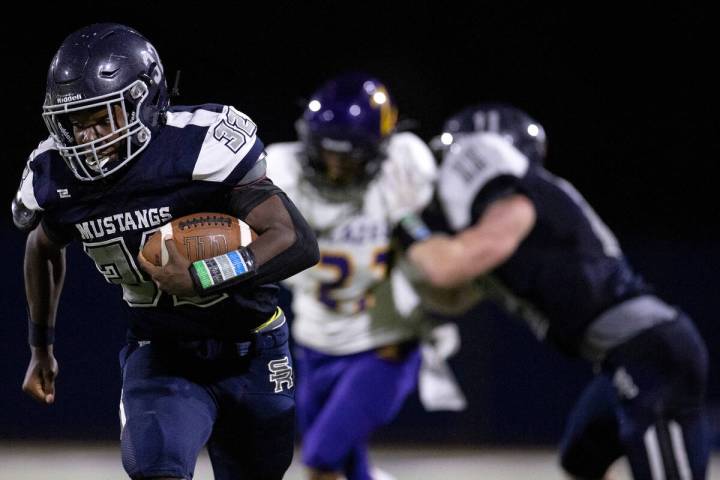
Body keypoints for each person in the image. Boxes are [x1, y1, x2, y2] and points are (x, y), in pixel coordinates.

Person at [13, 23, 319, 480]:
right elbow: (41, 247)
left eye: (104, 117)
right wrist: (41, 345)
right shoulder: (56, 177)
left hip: (252, 347)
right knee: (155, 469)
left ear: (145, 101)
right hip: (162, 352)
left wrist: (204, 274)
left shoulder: (197, 145)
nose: (88, 139)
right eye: (76, 123)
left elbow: (295, 239)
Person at [402, 103, 710, 479]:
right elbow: (450, 294)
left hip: (651, 354)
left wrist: (400, 221)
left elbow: (446, 266)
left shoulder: (518, 203)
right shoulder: (510, 218)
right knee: (580, 460)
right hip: (620, 359)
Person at [265, 73, 462, 480]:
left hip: (383, 345)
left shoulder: (404, 170)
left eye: (349, 156)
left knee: (320, 458)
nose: (335, 167)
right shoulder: (282, 171)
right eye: (327, 153)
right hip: (314, 342)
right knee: (350, 468)